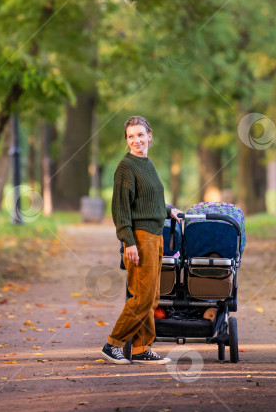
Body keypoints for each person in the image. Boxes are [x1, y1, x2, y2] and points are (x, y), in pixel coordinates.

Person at [101, 116, 182, 365]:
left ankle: (142, 348)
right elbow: (121, 209)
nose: (136, 140)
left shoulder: (148, 163)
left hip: (155, 235)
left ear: (149, 136)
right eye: (130, 136)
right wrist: (129, 242)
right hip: (140, 237)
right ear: (127, 140)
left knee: (152, 296)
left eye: (139, 135)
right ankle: (112, 344)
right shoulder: (126, 167)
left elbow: (150, 200)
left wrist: (169, 210)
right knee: (142, 296)